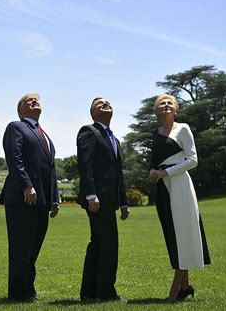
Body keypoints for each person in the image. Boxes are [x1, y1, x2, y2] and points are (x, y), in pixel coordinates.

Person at [149, 94, 210, 301]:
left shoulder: (183, 129)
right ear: (157, 110)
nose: (165, 105)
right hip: (163, 189)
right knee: (172, 233)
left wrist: (166, 172)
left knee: (182, 233)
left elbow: (193, 160)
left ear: (176, 109)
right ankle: (185, 286)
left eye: (170, 103)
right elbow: (154, 161)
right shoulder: (156, 133)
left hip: (180, 186)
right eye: (162, 104)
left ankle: (175, 289)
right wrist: (153, 171)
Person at [0, 92, 59, 302]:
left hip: (42, 201)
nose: (35, 101)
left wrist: (54, 198)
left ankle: (28, 290)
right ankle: (17, 294)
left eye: (37, 100)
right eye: (29, 100)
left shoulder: (44, 134)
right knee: (20, 248)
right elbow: (14, 158)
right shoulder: (16, 127)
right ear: (21, 109)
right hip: (21, 197)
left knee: (33, 248)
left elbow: (50, 169)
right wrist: (26, 185)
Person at [76, 97, 130, 302]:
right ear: (93, 113)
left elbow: (119, 174)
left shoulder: (114, 139)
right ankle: (106, 293)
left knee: (98, 244)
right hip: (97, 200)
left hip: (111, 200)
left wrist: (123, 202)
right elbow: (85, 164)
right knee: (108, 244)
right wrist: (91, 194)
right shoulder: (89, 131)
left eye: (108, 102)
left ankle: (89, 293)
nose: (105, 104)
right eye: (99, 103)